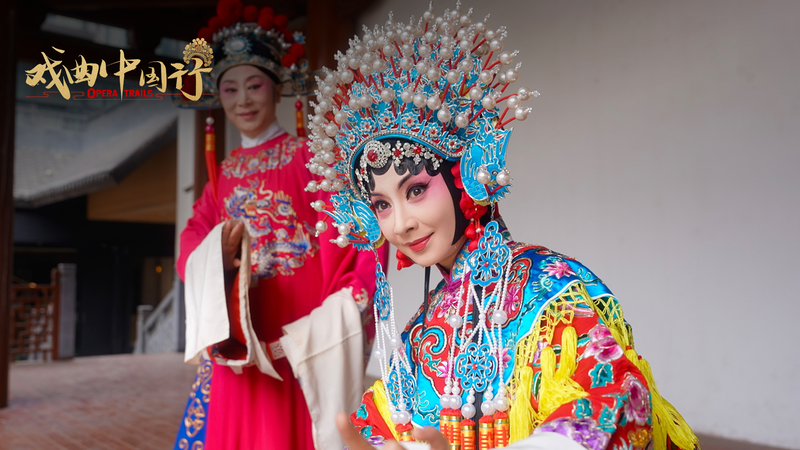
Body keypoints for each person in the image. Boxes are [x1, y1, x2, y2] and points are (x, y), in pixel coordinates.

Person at [303, 3, 700, 450]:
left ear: (465, 176)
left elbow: (619, 401)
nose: (401, 224)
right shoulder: (420, 331)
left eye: (415, 190)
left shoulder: (550, 291)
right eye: (381, 204)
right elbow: (378, 423)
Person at [172, 1, 387, 449]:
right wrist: (217, 255)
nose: (243, 100)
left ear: (277, 89)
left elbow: (361, 236)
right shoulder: (221, 177)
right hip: (241, 339)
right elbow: (191, 242)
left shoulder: (310, 159)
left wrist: (317, 330)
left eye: (254, 85)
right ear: (218, 98)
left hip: (299, 337)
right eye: (230, 89)